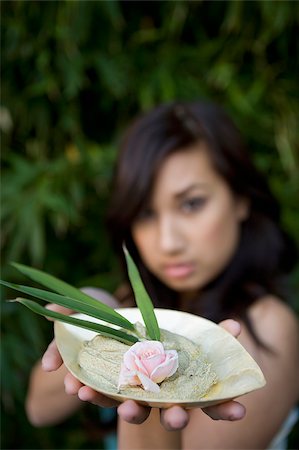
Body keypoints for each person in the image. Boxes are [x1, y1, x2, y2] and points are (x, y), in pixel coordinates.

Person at [26, 101, 299, 449]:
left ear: (241, 198)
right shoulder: (141, 306)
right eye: (146, 213)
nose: (168, 242)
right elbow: (39, 409)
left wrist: (147, 392)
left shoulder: (266, 330)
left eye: (191, 204)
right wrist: (92, 322)